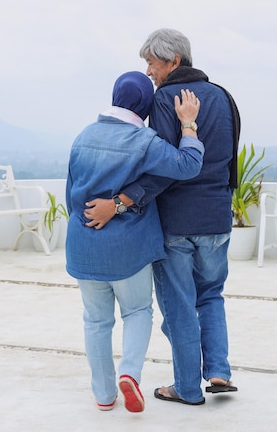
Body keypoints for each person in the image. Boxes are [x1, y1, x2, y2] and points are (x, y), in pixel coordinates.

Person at [84, 29, 241, 406]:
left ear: (173, 61)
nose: (150, 71)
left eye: (152, 63)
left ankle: (187, 388)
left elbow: (166, 169)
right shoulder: (223, 95)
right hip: (217, 219)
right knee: (211, 295)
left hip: (177, 223)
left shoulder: (166, 99)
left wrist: (122, 202)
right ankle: (218, 371)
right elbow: (231, 162)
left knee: (180, 306)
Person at [65, 70, 204, 413]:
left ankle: (103, 394)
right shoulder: (145, 141)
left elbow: (70, 195)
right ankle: (129, 372)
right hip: (127, 248)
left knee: (96, 321)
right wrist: (188, 125)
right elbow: (188, 165)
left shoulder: (83, 136)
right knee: (138, 311)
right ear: (145, 105)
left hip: (84, 244)